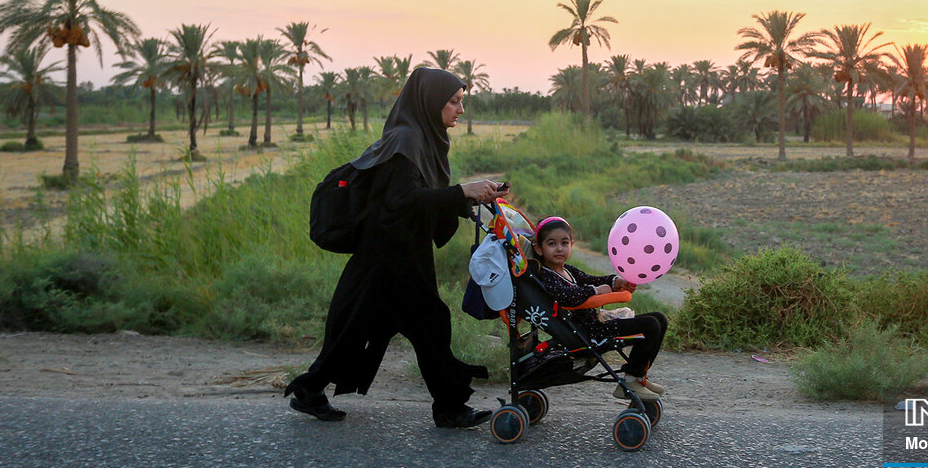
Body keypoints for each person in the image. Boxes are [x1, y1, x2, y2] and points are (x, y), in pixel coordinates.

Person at [285, 67, 508, 428]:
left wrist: (466, 201)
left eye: (461, 102)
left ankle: (310, 389)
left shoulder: (421, 138)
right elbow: (401, 201)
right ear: (430, 102)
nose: (460, 110)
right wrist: (462, 190)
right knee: (426, 324)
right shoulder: (406, 140)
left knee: (361, 327)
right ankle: (448, 407)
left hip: (400, 253)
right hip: (388, 257)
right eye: (454, 102)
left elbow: (421, 200)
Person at [530, 216, 668, 401]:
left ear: (572, 244)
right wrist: (594, 291)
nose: (559, 248)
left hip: (594, 325)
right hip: (588, 333)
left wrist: (615, 281)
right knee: (650, 325)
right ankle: (631, 380)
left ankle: (639, 375)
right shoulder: (546, 276)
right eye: (552, 244)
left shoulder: (567, 270)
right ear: (539, 249)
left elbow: (589, 279)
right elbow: (566, 296)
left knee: (660, 319)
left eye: (564, 243)